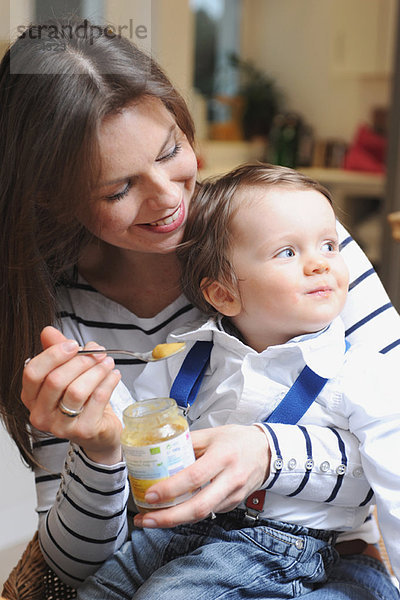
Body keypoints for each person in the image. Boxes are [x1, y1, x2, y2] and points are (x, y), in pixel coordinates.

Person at [0, 17, 398, 599]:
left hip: (318, 558)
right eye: (118, 189)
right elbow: (71, 567)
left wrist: (265, 452)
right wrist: (100, 452)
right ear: (51, 198)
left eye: (171, 151)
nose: (167, 199)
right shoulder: (59, 320)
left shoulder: (296, 244)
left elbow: (392, 441)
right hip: (172, 551)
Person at [77, 163, 400, 599]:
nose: (319, 264)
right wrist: (102, 393)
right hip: (172, 534)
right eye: (287, 252)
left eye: (328, 245)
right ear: (224, 294)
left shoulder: (361, 372)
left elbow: (395, 482)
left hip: (280, 548)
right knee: (99, 591)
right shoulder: (188, 356)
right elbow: (136, 431)